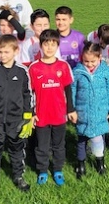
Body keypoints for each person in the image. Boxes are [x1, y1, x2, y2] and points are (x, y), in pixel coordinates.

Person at [0, 35, 33, 198]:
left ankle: (18, 176)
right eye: (0, 52)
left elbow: (28, 94)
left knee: (17, 150)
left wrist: (27, 116)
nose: (2, 55)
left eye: (6, 52)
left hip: (16, 120)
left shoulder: (22, 72)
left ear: (15, 51)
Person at [28, 29, 77, 186]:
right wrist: (31, 113)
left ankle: (57, 169)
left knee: (58, 145)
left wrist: (71, 109)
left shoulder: (63, 66)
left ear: (57, 45)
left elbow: (68, 90)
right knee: (42, 146)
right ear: (41, 45)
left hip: (59, 114)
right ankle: (42, 170)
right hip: (41, 114)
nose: (49, 48)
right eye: (46, 44)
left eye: (53, 44)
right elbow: (29, 93)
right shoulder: (34, 68)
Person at [71, 42, 109, 179]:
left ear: (100, 57)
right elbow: (72, 91)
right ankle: (80, 163)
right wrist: (72, 110)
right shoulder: (77, 72)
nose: (89, 64)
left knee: (98, 138)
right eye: (86, 61)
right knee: (81, 139)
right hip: (82, 112)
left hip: (100, 112)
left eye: (93, 61)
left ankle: (100, 161)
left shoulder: (106, 72)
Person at [86, 24, 109, 148]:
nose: (105, 45)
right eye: (103, 42)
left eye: (108, 42)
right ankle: (98, 136)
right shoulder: (91, 36)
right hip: (97, 79)